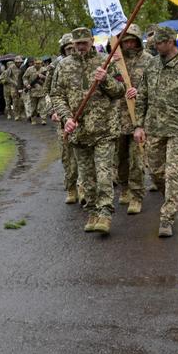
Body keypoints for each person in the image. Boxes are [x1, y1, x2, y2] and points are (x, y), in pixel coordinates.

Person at [130, 26, 178, 238]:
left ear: (170, 42)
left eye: (159, 43)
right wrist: (139, 125)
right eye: (153, 44)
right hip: (154, 129)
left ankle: (167, 218)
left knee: (173, 174)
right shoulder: (152, 65)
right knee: (155, 172)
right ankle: (171, 199)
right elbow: (142, 96)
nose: (155, 47)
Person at [50, 27, 125, 235]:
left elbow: (120, 91)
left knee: (103, 175)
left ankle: (105, 214)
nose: (81, 47)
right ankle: (92, 211)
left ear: (92, 41)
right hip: (79, 132)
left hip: (104, 129)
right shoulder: (63, 66)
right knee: (87, 177)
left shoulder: (105, 62)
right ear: (72, 44)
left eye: (84, 42)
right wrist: (66, 118)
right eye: (77, 43)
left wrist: (105, 79)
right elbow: (57, 95)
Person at [114, 24, 154, 214]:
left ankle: (137, 196)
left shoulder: (149, 61)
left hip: (140, 118)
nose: (128, 44)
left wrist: (141, 91)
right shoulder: (115, 61)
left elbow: (159, 86)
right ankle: (124, 188)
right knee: (120, 158)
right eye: (125, 41)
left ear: (138, 41)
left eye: (132, 41)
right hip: (118, 119)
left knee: (137, 159)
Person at [47, 33, 79, 204]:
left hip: (82, 118)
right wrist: (53, 110)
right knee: (68, 158)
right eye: (68, 49)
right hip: (63, 119)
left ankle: (85, 188)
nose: (72, 51)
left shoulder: (84, 64)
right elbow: (49, 93)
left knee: (84, 158)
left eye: (74, 48)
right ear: (63, 50)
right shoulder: (55, 67)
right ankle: (71, 188)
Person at [22, 58, 48, 125]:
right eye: (36, 63)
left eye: (39, 63)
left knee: (42, 105)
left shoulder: (44, 70)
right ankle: (33, 119)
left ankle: (43, 119)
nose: (38, 65)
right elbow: (24, 77)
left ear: (41, 63)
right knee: (33, 107)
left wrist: (44, 77)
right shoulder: (29, 69)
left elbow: (49, 79)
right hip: (33, 91)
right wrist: (27, 84)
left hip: (42, 91)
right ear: (34, 63)